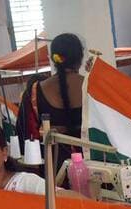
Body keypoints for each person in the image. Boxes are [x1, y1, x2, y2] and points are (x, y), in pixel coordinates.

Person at [20, 33, 85, 170]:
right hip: (92, 164)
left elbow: (28, 136)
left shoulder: (34, 92)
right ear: (80, 58)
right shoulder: (93, 87)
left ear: (53, 59)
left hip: (53, 167)